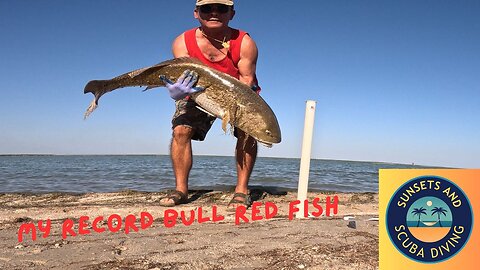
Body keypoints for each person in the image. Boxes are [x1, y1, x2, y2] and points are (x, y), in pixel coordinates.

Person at [159, 0, 261, 209]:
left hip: (238, 92)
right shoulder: (182, 42)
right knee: (180, 130)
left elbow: (247, 79)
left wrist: (230, 107)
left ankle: (241, 191)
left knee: (247, 132)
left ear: (232, 13)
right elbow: (184, 75)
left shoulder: (244, 42)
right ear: (196, 13)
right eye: (207, 8)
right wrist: (178, 90)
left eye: (221, 8)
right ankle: (181, 190)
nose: (214, 13)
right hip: (197, 93)